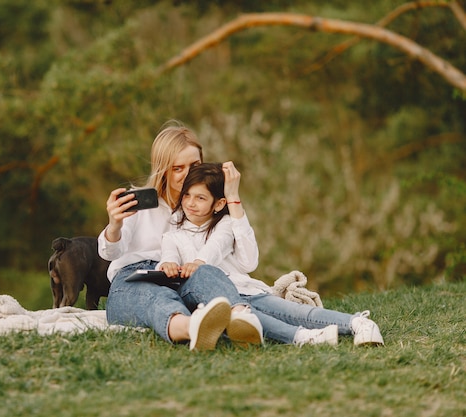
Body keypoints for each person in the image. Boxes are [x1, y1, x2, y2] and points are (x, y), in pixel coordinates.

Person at [159, 162, 385, 347]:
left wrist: (233, 197)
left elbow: (244, 259)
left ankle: (360, 324)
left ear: (218, 204)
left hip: (247, 290)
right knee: (256, 319)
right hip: (220, 302)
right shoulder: (173, 234)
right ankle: (303, 338)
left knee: (298, 312)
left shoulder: (227, 224)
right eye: (187, 195)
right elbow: (168, 257)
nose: (190, 203)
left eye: (200, 198)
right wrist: (167, 264)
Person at [98, 121, 264, 351]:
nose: (187, 174)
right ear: (163, 169)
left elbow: (247, 262)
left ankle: (215, 323)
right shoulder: (140, 202)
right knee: (156, 300)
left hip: (181, 282)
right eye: (178, 168)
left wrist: (233, 199)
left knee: (174, 297)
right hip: (132, 281)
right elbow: (110, 252)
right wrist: (114, 225)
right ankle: (194, 327)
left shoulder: (209, 208)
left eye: (194, 164)